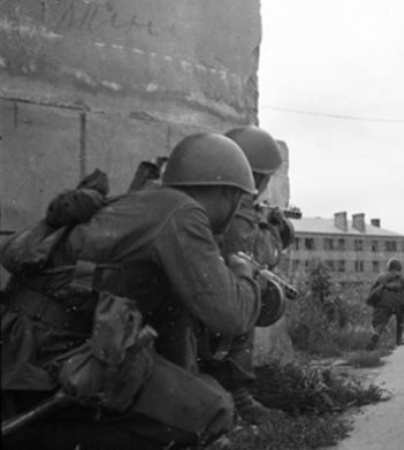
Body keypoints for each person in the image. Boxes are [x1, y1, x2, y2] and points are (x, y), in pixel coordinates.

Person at [1, 133, 263, 450]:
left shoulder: (146, 203)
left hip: (28, 350)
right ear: (228, 194)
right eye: (240, 201)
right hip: (48, 359)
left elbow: (173, 337)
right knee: (214, 412)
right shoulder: (181, 212)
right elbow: (231, 315)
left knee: (200, 393)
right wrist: (244, 270)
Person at [200, 126, 294, 424]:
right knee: (247, 297)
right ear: (257, 175)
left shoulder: (210, 191)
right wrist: (273, 229)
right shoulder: (237, 206)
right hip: (210, 295)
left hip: (195, 286)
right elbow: (257, 257)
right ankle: (240, 400)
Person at [366, 259, 404, 350]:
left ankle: (376, 334)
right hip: (399, 303)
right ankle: (399, 339)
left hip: (383, 303)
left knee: (380, 323)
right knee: (400, 320)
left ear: (389, 268)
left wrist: (373, 303)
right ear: (399, 268)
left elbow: (373, 292)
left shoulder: (381, 277)